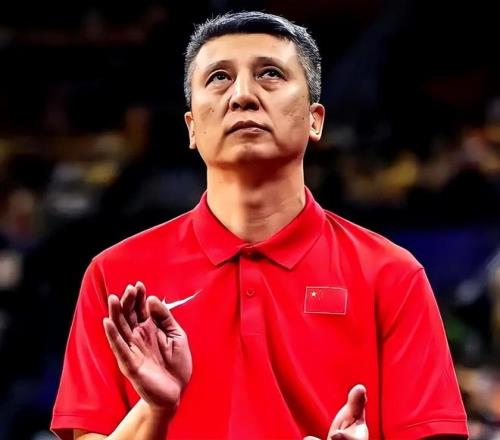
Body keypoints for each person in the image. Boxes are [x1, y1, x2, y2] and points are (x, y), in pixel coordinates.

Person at [50, 11, 468, 440]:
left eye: (270, 74)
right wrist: (154, 410)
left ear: (315, 119)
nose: (243, 95)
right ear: (191, 128)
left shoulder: (391, 275)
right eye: (219, 78)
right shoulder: (115, 276)